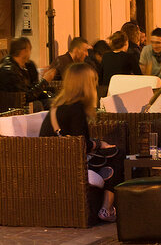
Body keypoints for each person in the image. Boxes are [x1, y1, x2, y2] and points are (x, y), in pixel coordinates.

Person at [40, 62, 120, 223]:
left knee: (109, 157)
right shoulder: (76, 108)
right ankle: (107, 208)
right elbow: (81, 144)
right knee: (118, 154)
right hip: (69, 163)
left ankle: (104, 178)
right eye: (93, 81)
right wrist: (99, 144)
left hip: (52, 160)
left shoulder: (58, 106)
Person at [0, 37, 50, 106]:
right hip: (6, 106)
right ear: (24, 51)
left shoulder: (27, 66)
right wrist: (44, 81)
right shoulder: (8, 70)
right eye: (29, 49)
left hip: (18, 102)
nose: (30, 53)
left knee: (51, 101)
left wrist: (48, 94)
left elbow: (32, 88)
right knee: (37, 105)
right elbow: (25, 97)